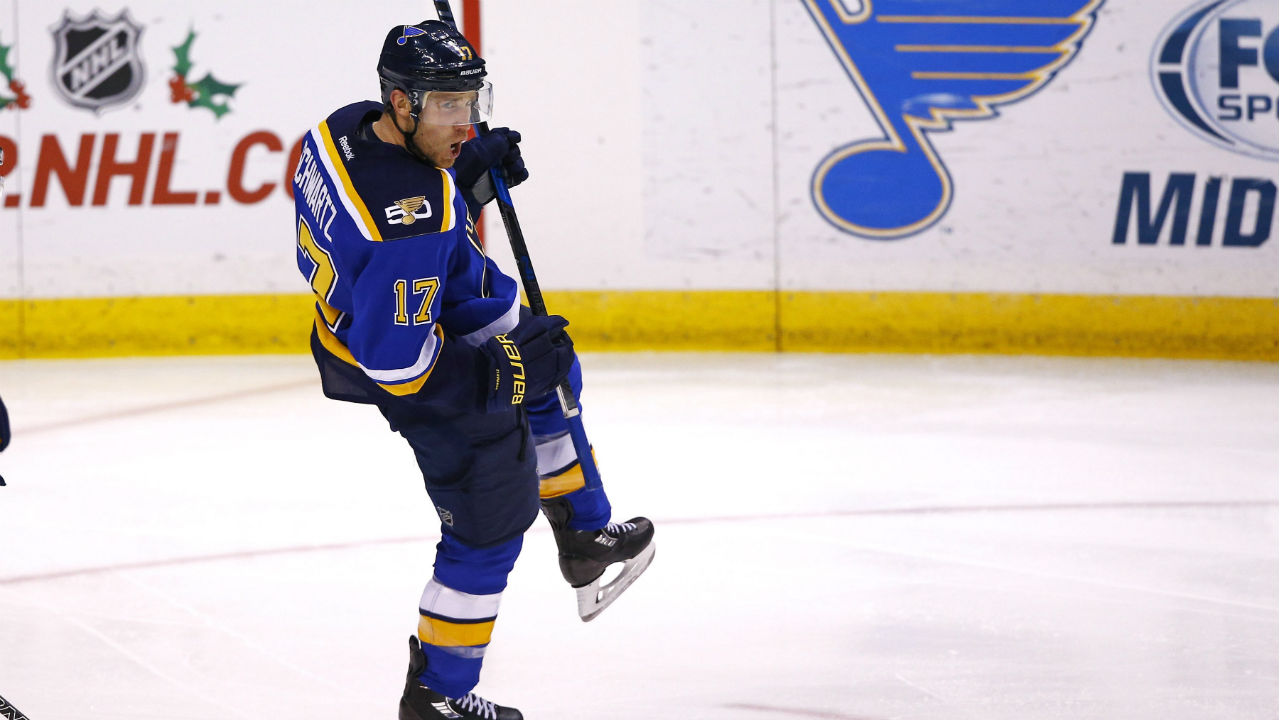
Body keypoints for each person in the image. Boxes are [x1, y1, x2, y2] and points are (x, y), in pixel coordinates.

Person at [292, 20, 655, 720]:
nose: (465, 120)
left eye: (469, 101)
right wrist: (505, 373)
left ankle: (584, 531)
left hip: (429, 298)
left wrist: (461, 174)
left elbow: (394, 196)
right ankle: (437, 694)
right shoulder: (409, 227)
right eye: (448, 106)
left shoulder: (342, 127)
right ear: (402, 103)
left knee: (554, 371)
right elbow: (400, 365)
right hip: (411, 362)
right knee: (487, 526)